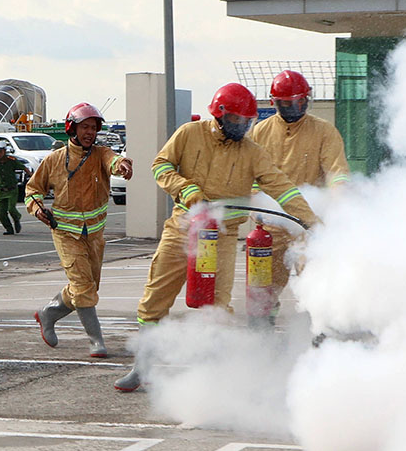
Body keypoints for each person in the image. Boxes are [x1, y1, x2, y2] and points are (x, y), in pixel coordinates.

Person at [114, 83, 319, 391]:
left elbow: (281, 186)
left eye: (247, 122)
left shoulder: (252, 152)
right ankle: (141, 368)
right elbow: (161, 165)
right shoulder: (189, 133)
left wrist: (310, 219)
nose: (243, 127)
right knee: (156, 297)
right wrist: (186, 189)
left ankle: (213, 379)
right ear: (219, 115)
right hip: (183, 228)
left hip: (223, 237)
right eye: (237, 121)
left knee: (217, 307)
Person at [27, 103, 133, 357]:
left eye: (93, 128)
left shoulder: (101, 154)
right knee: (83, 287)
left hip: (94, 236)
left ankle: (48, 313)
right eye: (85, 127)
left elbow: (114, 160)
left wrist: (123, 164)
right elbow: (32, 190)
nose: (90, 132)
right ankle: (97, 341)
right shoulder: (53, 160)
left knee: (87, 287)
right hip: (66, 234)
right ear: (71, 128)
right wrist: (37, 207)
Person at [247, 69, 349, 323]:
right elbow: (249, 174)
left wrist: (340, 197)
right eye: (287, 103)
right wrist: (255, 201)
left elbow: (336, 171)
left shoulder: (324, 131)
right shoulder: (260, 132)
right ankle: (262, 334)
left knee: (316, 281)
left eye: (299, 101)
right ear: (274, 102)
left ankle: (321, 333)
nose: (295, 107)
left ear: (307, 99)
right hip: (272, 224)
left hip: (309, 223)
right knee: (264, 286)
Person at [0, 141, 24, 235]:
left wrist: (33, 177)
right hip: (2, 190)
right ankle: (9, 228)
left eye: (0, 151)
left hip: (12, 189)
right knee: (1, 213)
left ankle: (17, 218)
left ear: (4, 151)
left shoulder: (11, 160)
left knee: (11, 209)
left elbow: (24, 168)